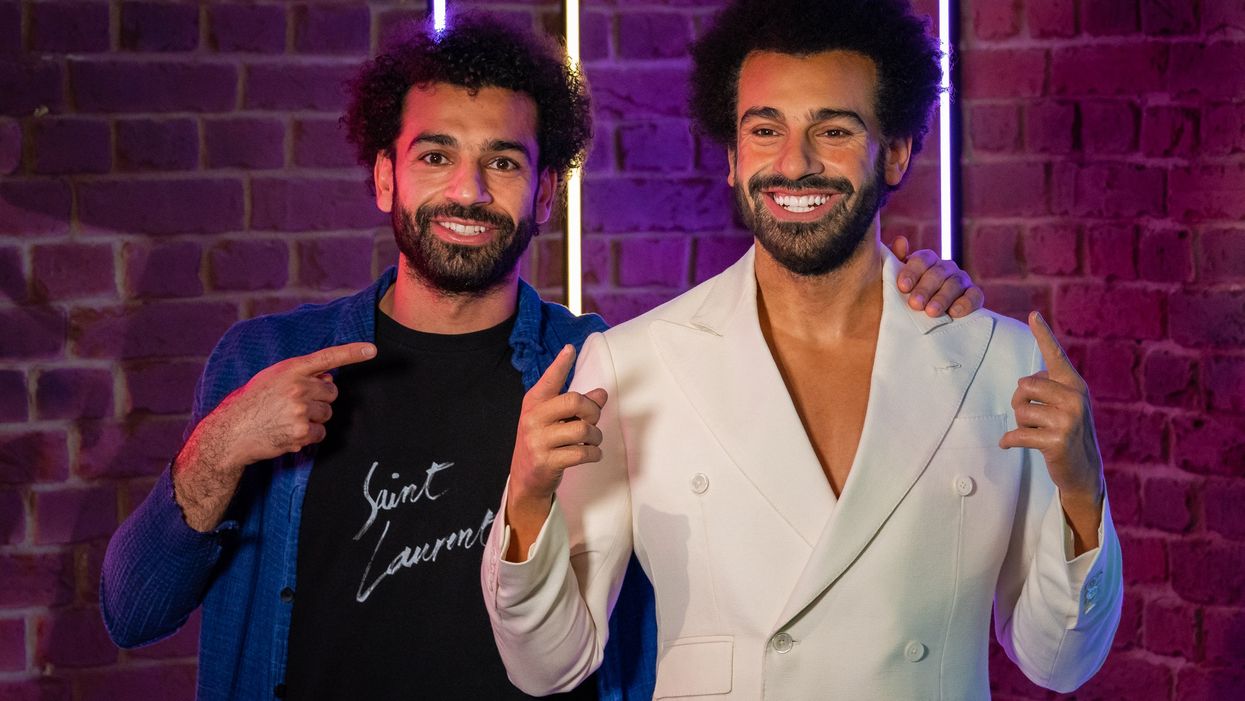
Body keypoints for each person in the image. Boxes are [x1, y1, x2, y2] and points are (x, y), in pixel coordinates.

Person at [99, 12, 981, 701]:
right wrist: (216, 449)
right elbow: (131, 612)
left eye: (505, 162)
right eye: (435, 155)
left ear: (547, 193)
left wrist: (898, 307)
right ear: (383, 177)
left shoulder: (604, 365)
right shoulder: (268, 357)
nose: (468, 191)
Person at [483, 1, 1123, 699]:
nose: (795, 162)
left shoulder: (999, 364)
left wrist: (1082, 490)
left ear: (898, 151)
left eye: (835, 129)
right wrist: (525, 498)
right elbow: (547, 665)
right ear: (731, 157)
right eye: (765, 129)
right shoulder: (632, 365)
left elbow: (1058, 661)